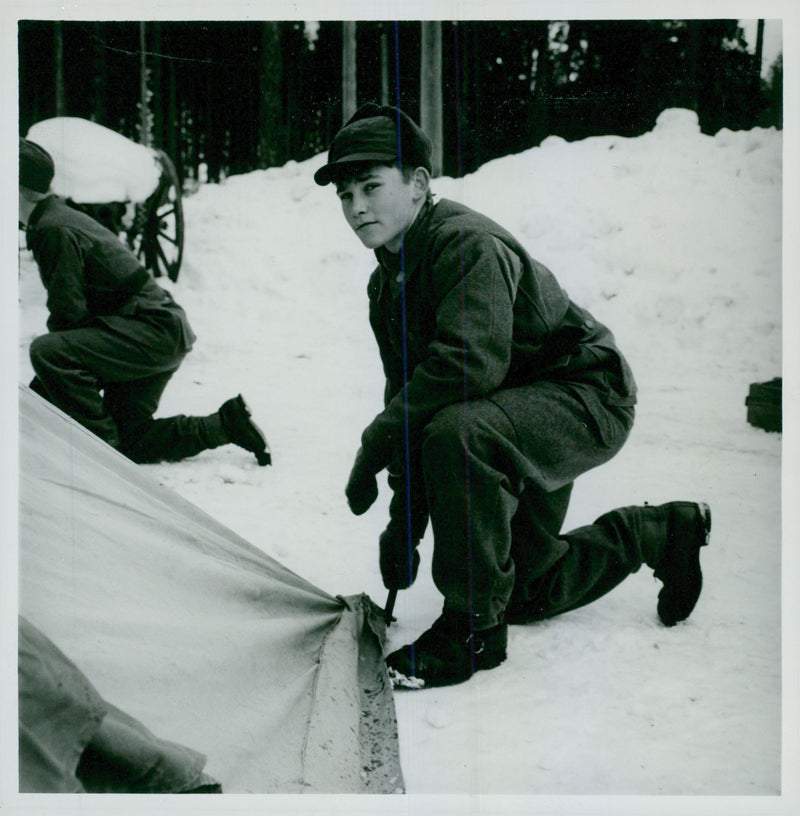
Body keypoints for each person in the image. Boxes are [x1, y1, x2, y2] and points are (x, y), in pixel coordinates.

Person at [314, 103, 711, 689]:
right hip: (513, 409)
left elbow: (468, 368)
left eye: (371, 187)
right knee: (525, 588)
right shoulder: (386, 282)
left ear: (419, 185)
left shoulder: (465, 243)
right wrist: (404, 522)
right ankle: (659, 532)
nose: (356, 208)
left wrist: (373, 441)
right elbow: (412, 400)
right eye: (345, 196)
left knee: (460, 434)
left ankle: (472, 632)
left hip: (584, 395)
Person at [19, 137, 270, 467]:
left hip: (151, 331)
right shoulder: (57, 217)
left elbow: (69, 316)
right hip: (156, 331)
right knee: (131, 438)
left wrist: (36, 403)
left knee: (47, 351)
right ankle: (224, 425)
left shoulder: (52, 228)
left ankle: (100, 456)